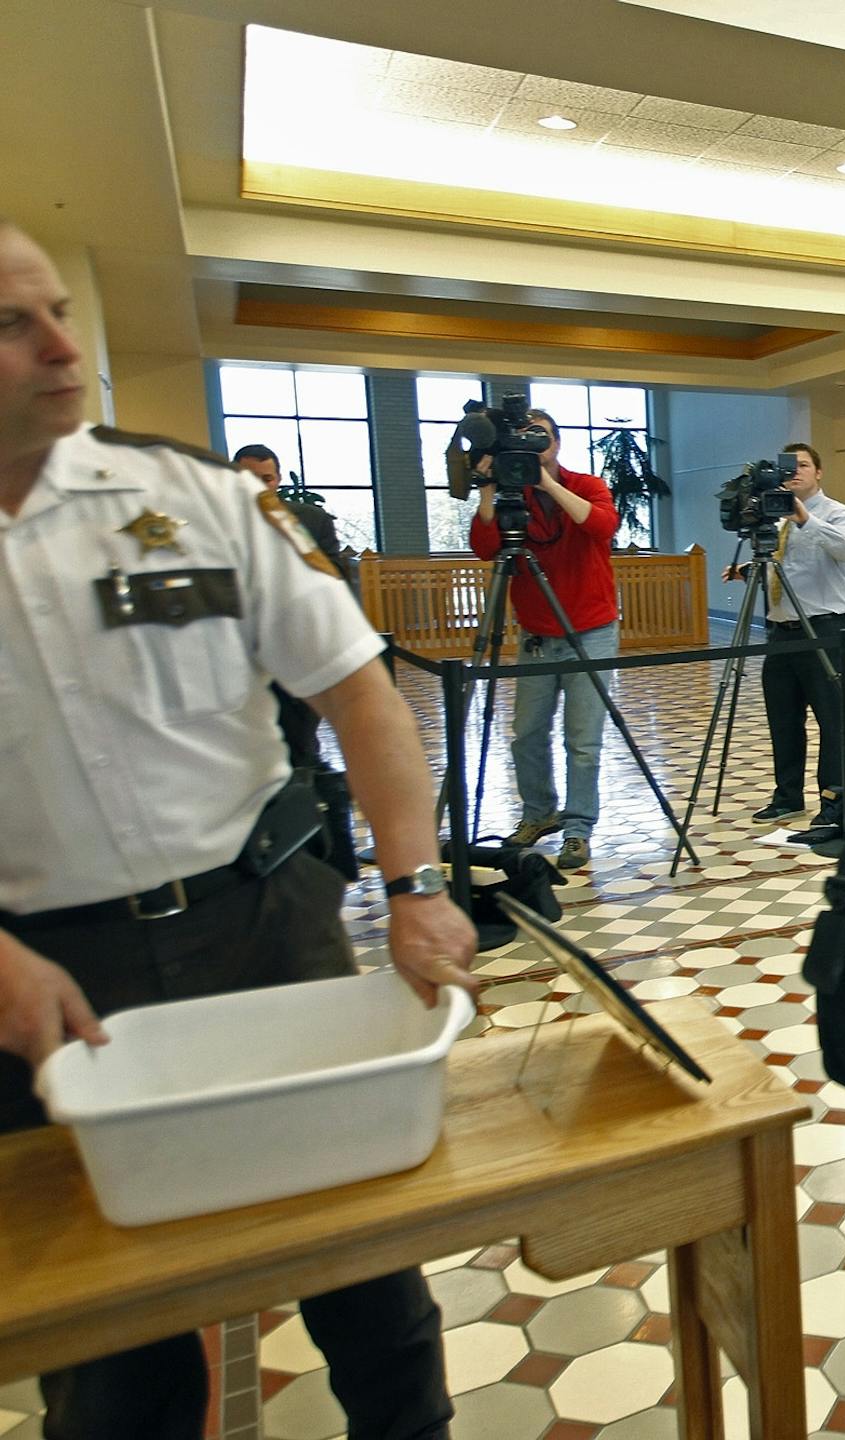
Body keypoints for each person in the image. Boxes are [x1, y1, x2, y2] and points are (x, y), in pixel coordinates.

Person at [0, 218, 476, 1440]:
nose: (65, 348)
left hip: (264, 926)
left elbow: (359, 692)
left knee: (368, 1276)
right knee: (110, 1346)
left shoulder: (193, 501)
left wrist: (416, 882)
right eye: (14, 325)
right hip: (48, 978)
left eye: (59, 310)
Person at [468, 409, 619, 872]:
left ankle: (578, 829)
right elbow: (484, 546)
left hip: (590, 628)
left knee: (583, 739)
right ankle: (538, 814)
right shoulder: (514, 494)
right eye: (528, 438)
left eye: (545, 437)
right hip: (535, 630)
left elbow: (601, 526)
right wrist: (490, 486)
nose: (538, 444)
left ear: (558, 442)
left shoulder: (587, 484)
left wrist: (547, 482)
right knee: (527, 734)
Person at [727, 442, 845, 827]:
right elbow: (784, 566)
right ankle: (787, 796)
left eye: (803, 465)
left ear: (818, 472)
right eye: (790, 466)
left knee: (832, 721)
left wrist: (805, 517)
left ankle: (834, 803)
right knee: (783, 720)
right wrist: (744, 572)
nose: (796, 472)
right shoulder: (774, 517)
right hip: (781, 631)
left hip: (827, 629)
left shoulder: (836, 513)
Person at [235, 442, 344, 768]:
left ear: (278, 480)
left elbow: (334, 576)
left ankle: (307, 807)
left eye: (266, 478)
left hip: (296, 645)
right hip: (239, 651)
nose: (259, 485)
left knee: (299, 743)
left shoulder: (311, 519)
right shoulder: (212, 522)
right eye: (249, 477)